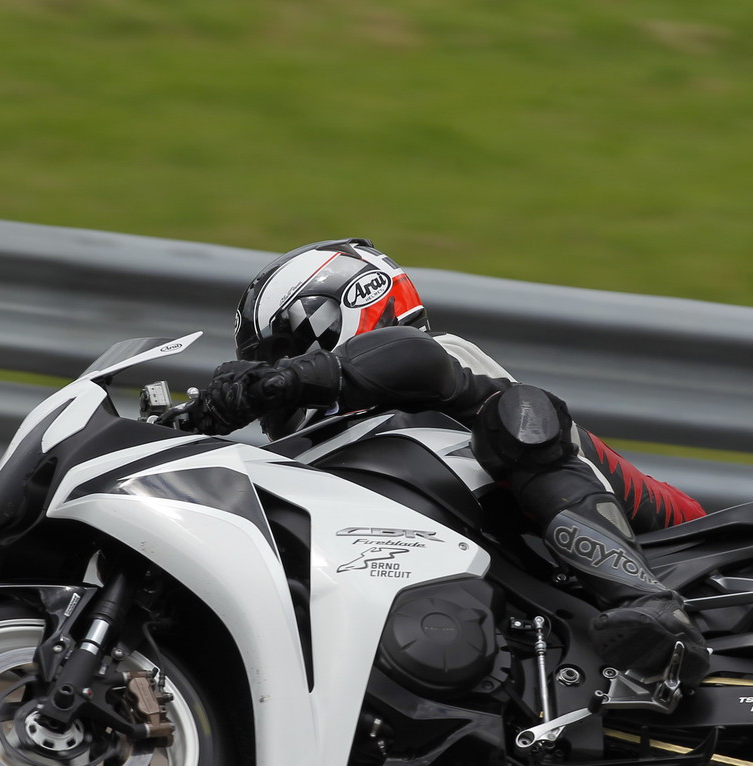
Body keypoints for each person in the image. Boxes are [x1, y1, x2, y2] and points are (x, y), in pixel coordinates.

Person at [187, 238, 710, 690]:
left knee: (518, 418)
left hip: (671, 528)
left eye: (281, 352)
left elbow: (413, 360)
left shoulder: (437, 359)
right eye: (264, 364)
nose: (274, 372)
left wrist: (284, 380)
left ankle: (648, 603)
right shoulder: (337, 446)